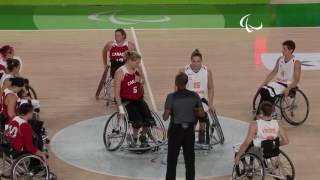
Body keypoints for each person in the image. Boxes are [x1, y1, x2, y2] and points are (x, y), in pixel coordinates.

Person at [163, 72, 205, 180]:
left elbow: (165, 117)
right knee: (190, 161)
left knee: (172, 161)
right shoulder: (194, 95)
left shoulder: (171, 97)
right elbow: (202, 114)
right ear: (186, 83)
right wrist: (192, 110)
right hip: (189, 132)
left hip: (175, 132)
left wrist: (171, 110)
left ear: (176, 83)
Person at [114, 51, 154, 148]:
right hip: (127, 101)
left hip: (138, 99)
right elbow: (116, 94)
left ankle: (143, 137)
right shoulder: (120, 73)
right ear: (130, 61)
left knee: (149, 120)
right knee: (137, 121)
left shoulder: (138, 69)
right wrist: (120, 109)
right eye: (136, 62)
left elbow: (143, 81)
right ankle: (134, 137)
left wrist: (139, 80)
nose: (138, 64)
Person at [256, 40, 301, 117]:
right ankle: (263, 111)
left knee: (268, 93)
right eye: (282, 48)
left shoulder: (296, 62)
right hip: (278, 83)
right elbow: (273, 72)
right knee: (262, 89)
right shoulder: (280, 59)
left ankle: (268, 113)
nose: (282, 51)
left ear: (291, 50)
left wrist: (288, 89)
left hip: (289, 85)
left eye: (284, 49)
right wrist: (263, 83)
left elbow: (297, 80)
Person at [180, 49, 214, 144]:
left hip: (202, 100)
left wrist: (211, 103)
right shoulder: (184, 71)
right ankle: (189, 137)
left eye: (198, 61)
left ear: (201, 61)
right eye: (194, 61)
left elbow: (211, 88)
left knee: (203, 118)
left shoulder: (207, 71)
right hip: (189, 101)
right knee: (192, 120)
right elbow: (178, 88)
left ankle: (202, 135)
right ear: (191, 61)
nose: (196, 64)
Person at [96, 28, 136, 99]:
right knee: (119, 77)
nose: (116, 37)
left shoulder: (130, 46)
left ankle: (122, 94)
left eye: (118, 36)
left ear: (123, 36)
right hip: (114, 67)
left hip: (125, 66)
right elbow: (104, 52)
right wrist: (105, 64)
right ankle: (118, 95)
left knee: (126, 78)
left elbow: (135, 58)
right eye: (115, 36)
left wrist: (134, 68)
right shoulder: (110, 44)